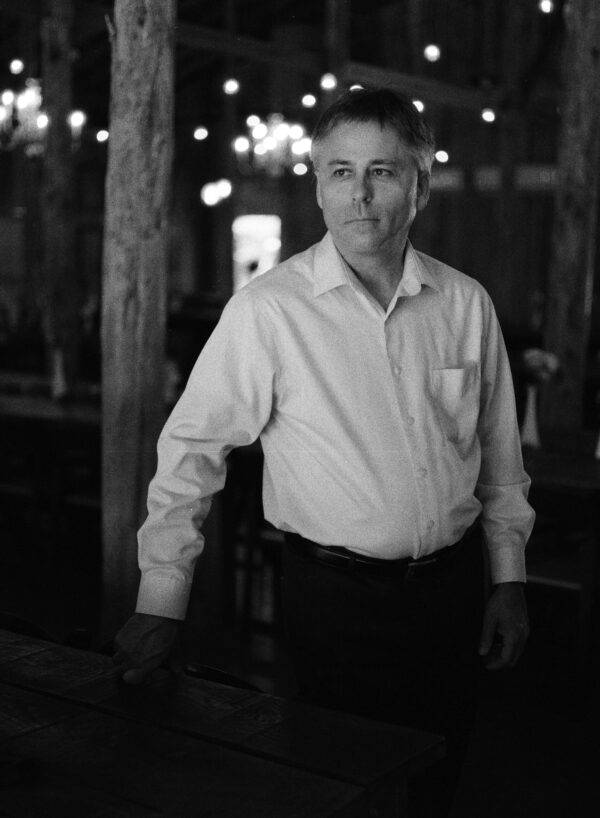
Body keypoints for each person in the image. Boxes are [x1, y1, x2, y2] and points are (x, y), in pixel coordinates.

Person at [114, 87, 534, 817]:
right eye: (340, 171)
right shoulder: (270, 308)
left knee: (440, 783)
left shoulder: (466, 304)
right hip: (334, 603)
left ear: (420, 185)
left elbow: (500, 459)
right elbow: (191, 451)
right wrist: (162, 599)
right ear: (316, 184)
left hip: (452, 597)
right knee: (335, 791)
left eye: (383, 170)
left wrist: (509, 577)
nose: (361, 195)